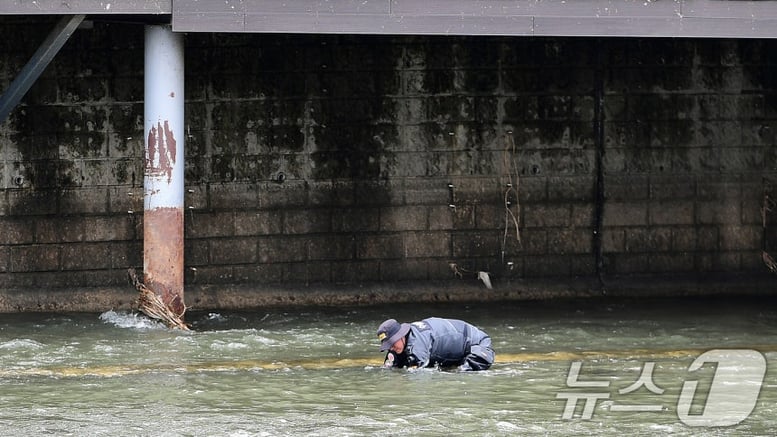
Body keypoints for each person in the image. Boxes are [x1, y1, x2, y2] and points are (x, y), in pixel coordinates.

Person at [376, 317, 495, 371]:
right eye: (388, 346)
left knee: (462, 372)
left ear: (401, 335)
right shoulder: (397, 346)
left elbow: (418, 378)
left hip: (478, 346)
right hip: (451, 351)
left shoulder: (417, 345)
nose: (391, 348)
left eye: (392, 343)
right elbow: (389, 368)